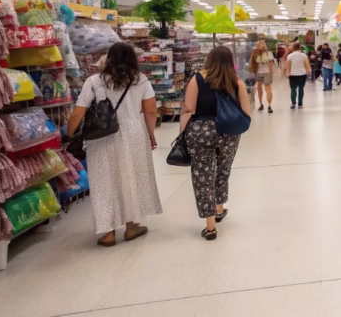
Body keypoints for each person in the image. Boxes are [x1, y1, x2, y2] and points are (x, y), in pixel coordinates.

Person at [67, 42, 162, 247]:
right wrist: (151, 134)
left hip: (103, 133)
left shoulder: (94, 81)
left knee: (103, 181)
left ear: (108, 59)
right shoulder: (141, 81)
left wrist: (70, 133)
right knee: (129, 177)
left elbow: (79, 111)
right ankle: (131, 226)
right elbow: (151, 110)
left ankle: (108, 232)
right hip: (133, 133)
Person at [179, 46, 253, 241]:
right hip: (229, 132)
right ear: (231, 61)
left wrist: (182, 133)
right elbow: (247, 111)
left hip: (200, 131)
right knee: (222, 169)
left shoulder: (197, 79)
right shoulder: (237, 83)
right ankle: (220, 208)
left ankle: (210, 227)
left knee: (203, 177)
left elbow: (188, 108)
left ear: (209, 60)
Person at [249, 40, 275, 113]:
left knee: (259, 89)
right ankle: (269, 106)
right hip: (266, 73)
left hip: (258, 73)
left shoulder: (255, 53)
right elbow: (270, 66)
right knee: (268, 90)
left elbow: (252, 64)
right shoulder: (269, 53)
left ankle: (261, 105)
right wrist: (271, 75)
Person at [284, 43, 310, 108]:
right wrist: (308, 71)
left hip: (293, 75)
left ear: (293, 48)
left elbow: (288, 66)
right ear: (300, 48)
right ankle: (300, 104)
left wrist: (287, 73)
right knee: (301, 89)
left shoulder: (290, 56)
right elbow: (307, 65)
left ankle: (293, 103)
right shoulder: (304, 55)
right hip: (302, 74)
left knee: (293, 89)